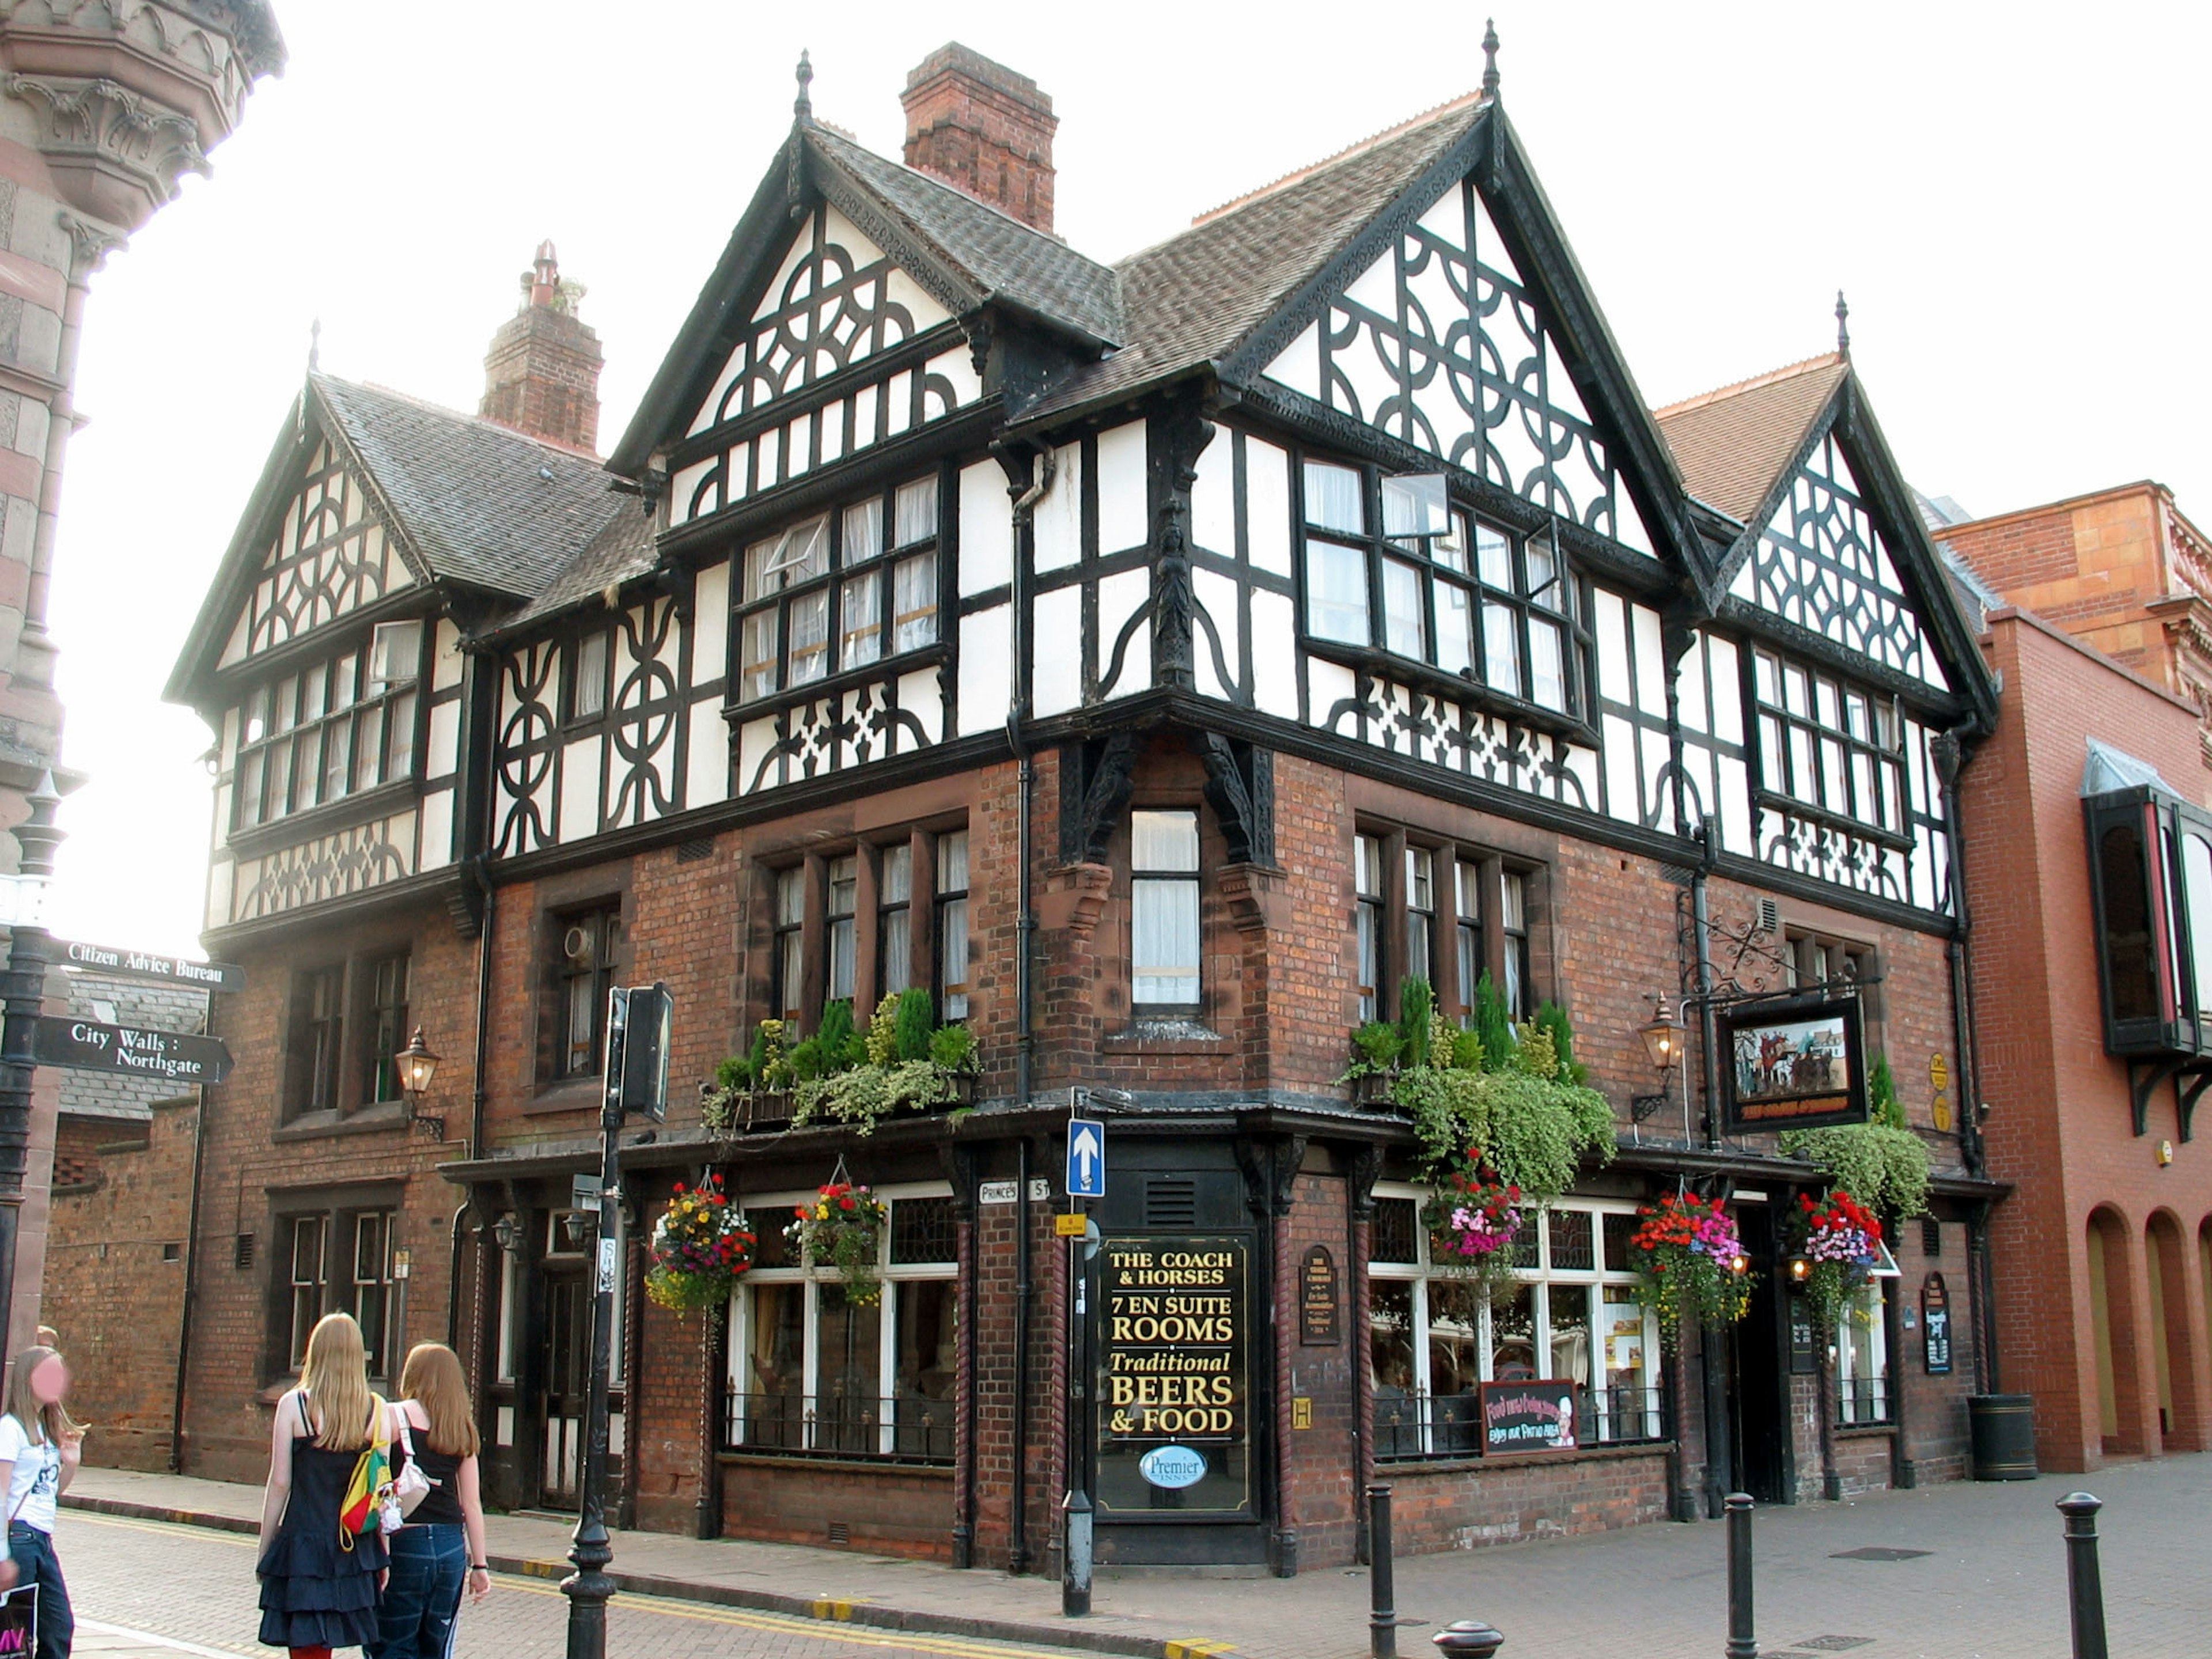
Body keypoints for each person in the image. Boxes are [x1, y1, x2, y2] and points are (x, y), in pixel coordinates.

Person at [257, 1313, 388, 1658]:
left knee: (306, 1650)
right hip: (354, 1546)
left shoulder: (294, 1406)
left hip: (304, 1543)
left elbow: (280, 1483)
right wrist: (382, 1553)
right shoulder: (376, 1409)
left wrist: (265, 1547)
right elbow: (380, 1494)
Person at [368, 1343, 489, 1659]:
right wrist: (480, 1565)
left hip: (405, 1542)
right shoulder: (461, 1427)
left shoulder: (393, 1416)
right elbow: (472, 1503)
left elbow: (379, 1489)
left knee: (392, 1642)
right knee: (435, 1648)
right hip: (451, 1547)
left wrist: (380, 1553)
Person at [0, 1345, 84, 1659]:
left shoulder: (44, 1430)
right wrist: (2, 1555)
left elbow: (49, 1492)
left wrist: (70, 1464)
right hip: (20, 1538)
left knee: (58, 1628)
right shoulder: (11, 1429)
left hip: (42, 1541)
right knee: (14, 1635)